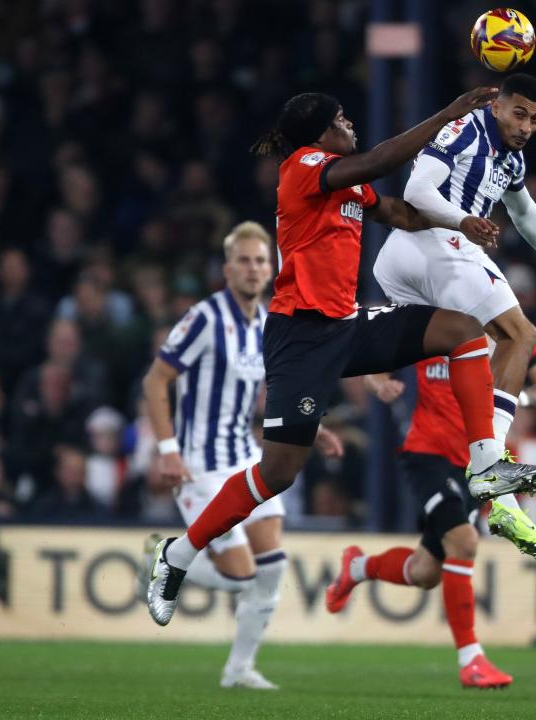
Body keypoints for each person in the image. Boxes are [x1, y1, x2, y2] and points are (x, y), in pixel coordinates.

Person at [145, 87, 536, 627]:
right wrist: (450, 114)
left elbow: (401, 214)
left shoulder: (346, 180)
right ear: (321, 134)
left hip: (347, 322)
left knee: (462, 332)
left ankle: (485, 466)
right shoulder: (303, 167)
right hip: (301, 338)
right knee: (277, 473)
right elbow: (382, 160)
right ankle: (177, 555)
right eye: (341, 120)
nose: (350, 124)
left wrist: (461, 224)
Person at [373, 73, 536, 557]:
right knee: (520, 334)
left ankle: (496, 488)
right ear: (500, 107)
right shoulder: (465, 128)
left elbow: (523, 209)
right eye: (520, 114)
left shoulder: (512, 157)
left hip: (423, 262)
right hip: (431, 244)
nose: (527, 126)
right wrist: (463, 220)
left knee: (471, 343)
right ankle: (491, 463)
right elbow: (417, 191)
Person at [140, 221, 345, 688]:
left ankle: (239, 669)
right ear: (227, 269)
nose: (253, 269)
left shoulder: (269, 323)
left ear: (271, 269)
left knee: (272, 569)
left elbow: (272, 394)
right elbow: (155, 381)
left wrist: (313, 429)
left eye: (260, 261)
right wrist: (168, 450)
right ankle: (164, 559)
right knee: (241, 575)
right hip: (199, 465)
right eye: (244, 261)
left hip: (243, 456)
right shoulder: (205, 318)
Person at [324, 342, 536, 688]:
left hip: (475, 467)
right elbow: (376, 365)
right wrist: (379, 385)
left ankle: (356, 567)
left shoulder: (506, 325)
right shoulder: (435, 321)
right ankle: (471, 661)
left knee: (425, 572)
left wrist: (513, 400)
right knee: (464, 542)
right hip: (428, 455)